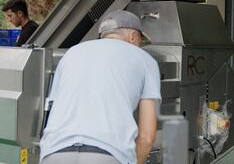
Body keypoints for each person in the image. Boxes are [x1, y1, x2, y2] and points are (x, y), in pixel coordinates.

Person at [39, 10, 161, 164]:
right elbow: (146, 137)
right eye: (140, 41)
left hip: (54, 152)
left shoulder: (71, 53)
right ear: (132, 36)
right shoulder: (145, 60)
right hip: (107, 154)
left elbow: (52, 106)